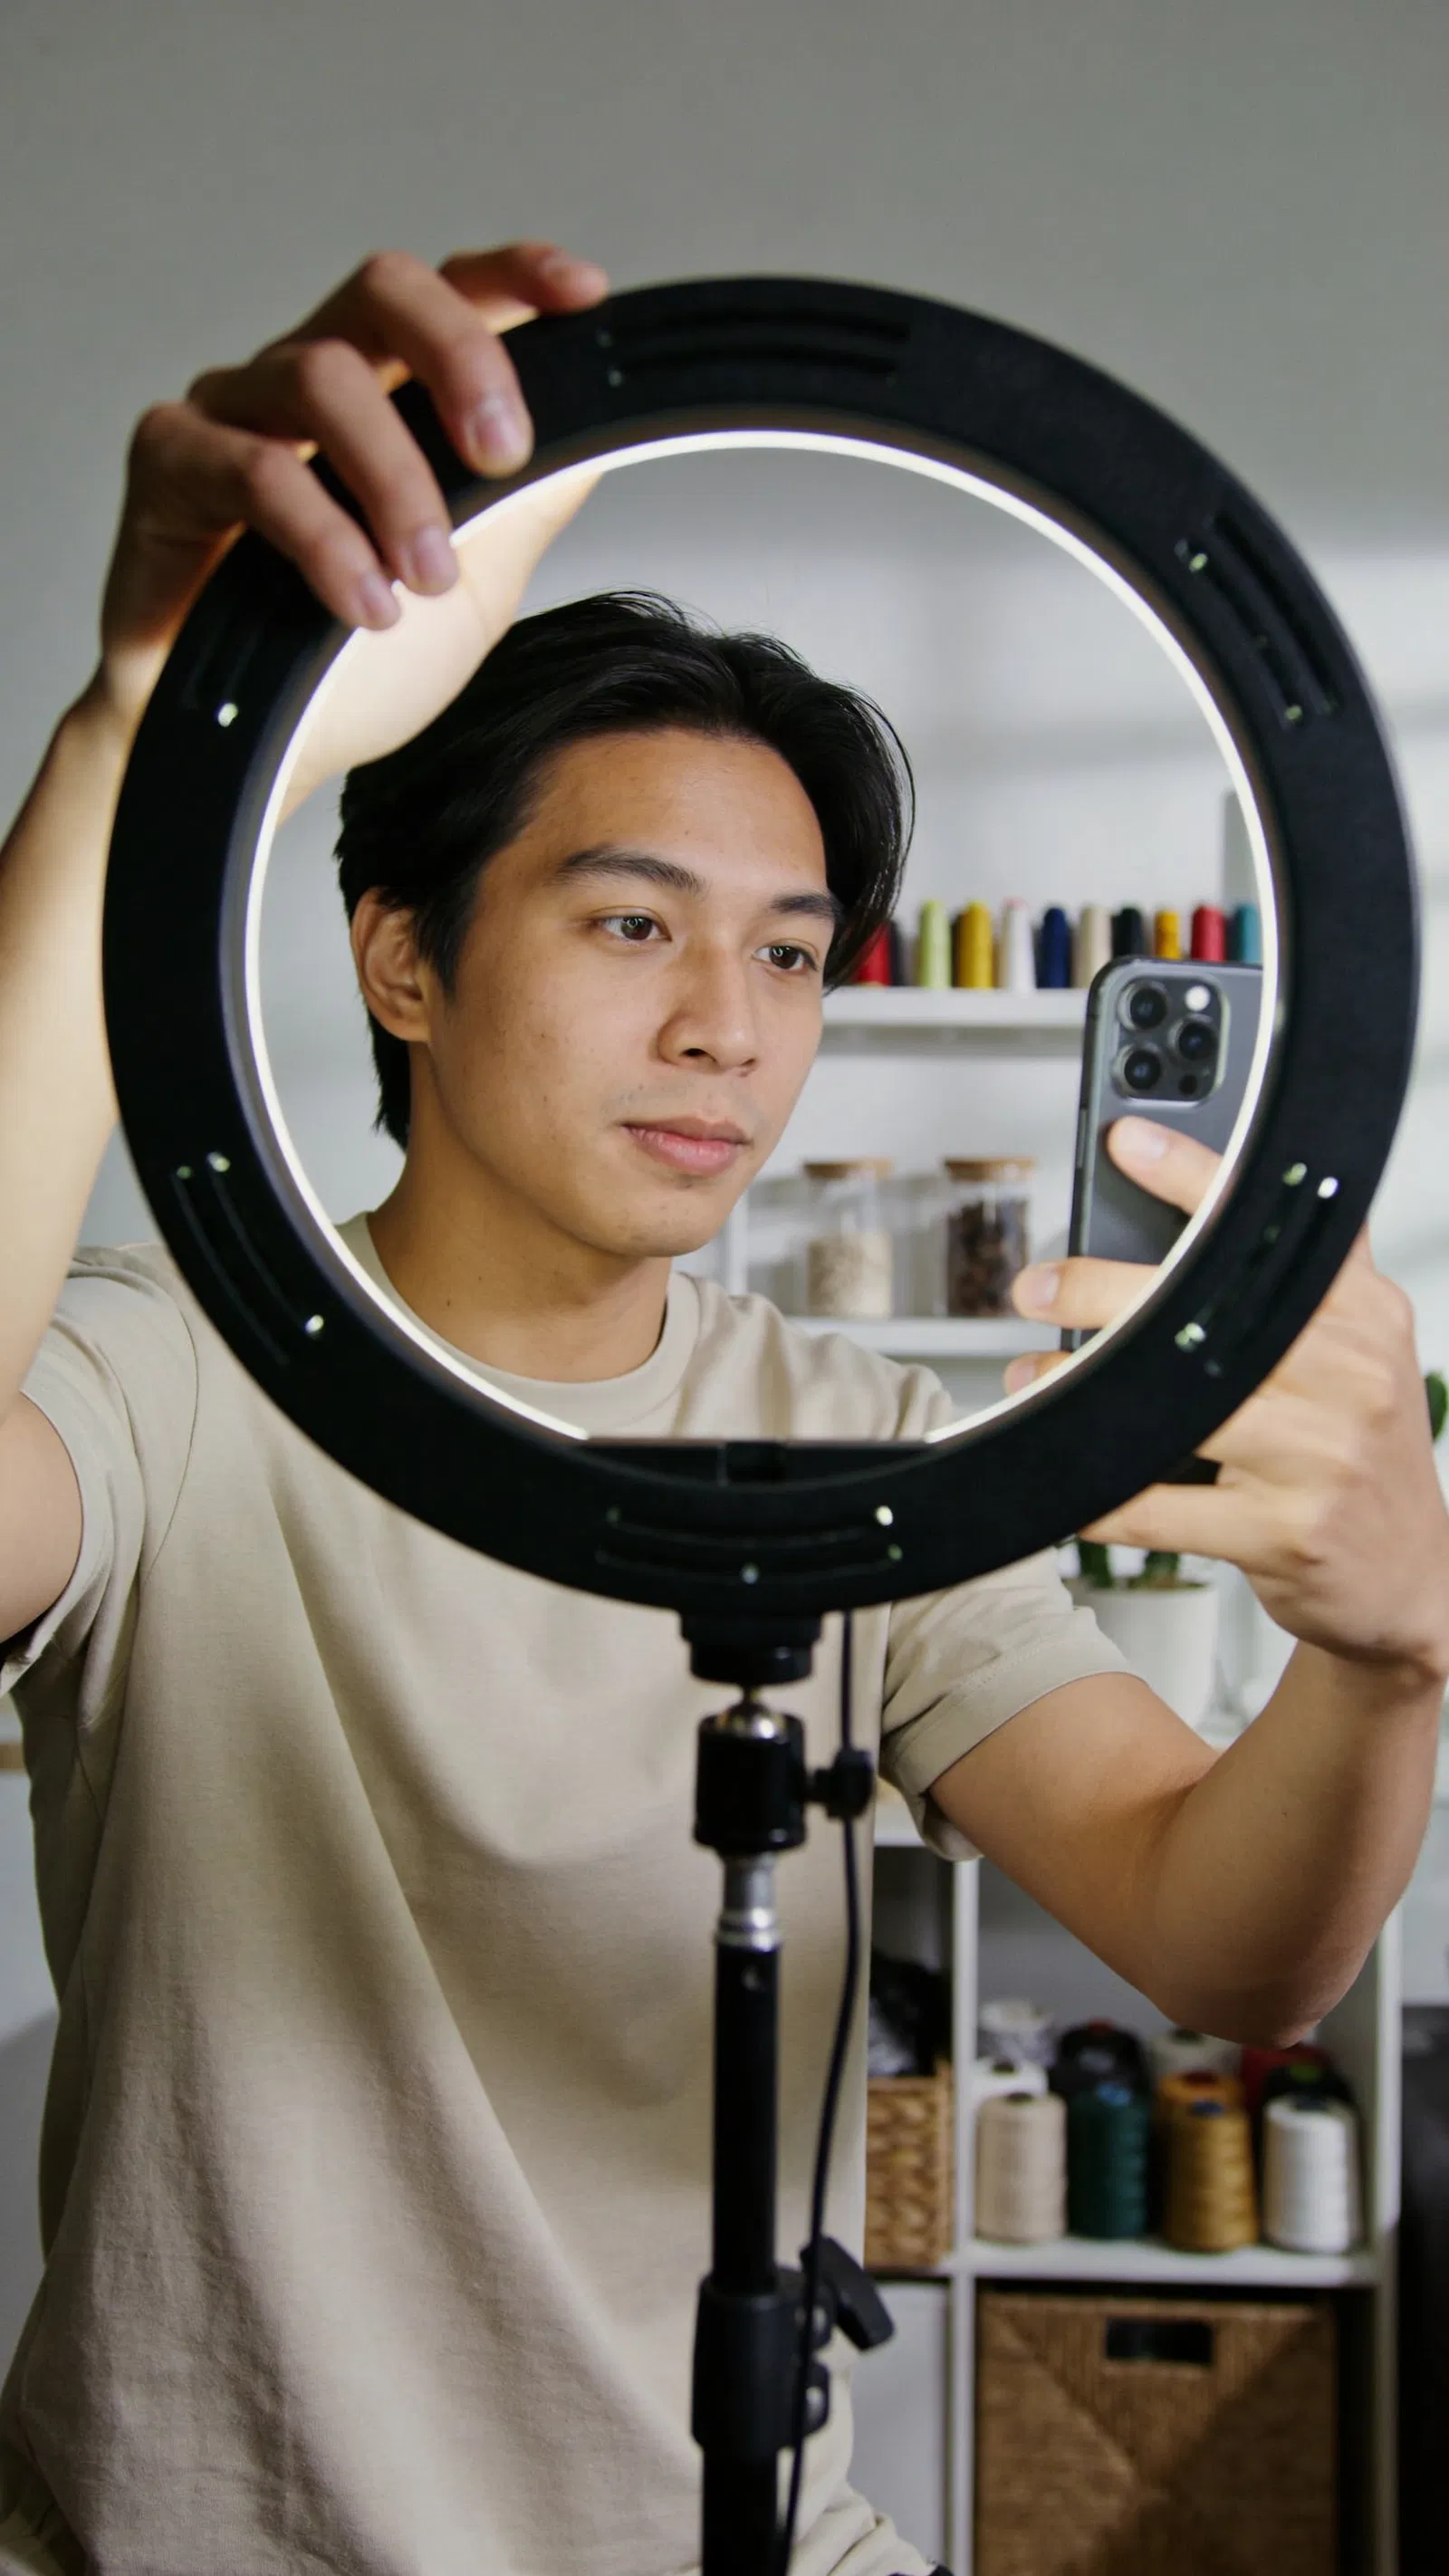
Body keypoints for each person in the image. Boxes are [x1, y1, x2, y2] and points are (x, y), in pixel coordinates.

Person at [0, 239, 1444, 2576]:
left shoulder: (869, 1439)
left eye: (789, 951)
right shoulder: (173, 1374)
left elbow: (1227, 1944)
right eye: (630, 919)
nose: (729, 1031)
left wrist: (1389, 1645)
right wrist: (137, 731)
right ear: (402, 951)